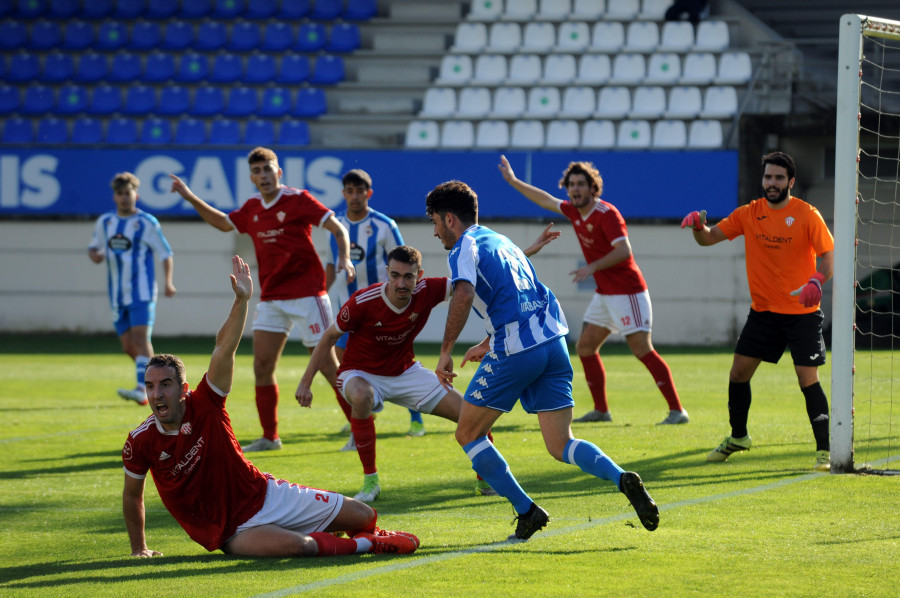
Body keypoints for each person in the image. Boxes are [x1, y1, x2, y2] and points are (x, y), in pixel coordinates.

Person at [121, 256, 419, 558]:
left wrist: (241, 301)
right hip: (232, 531)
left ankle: (362, 531)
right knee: (298, 547)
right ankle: (369, 544)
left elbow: (224, 347)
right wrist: (139, 549)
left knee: (363, 514)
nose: (157, 393)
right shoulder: (141, 441)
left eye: (165, 385)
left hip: (266, 496)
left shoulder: (206, 402)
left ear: (184, 389)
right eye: (150, 386)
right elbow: (133, 496)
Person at [426, 180, 660, 541]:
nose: (435, 230)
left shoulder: (462, 249)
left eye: (434, 222)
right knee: (560, 443)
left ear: (449, 219)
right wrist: (488, 341)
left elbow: (464, 293)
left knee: (467, 432)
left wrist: (446, 351)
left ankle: (527, 511)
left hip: (517, 350)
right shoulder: (500, 242)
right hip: (552, 343)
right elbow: (520, 294)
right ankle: (621, 477)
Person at [169, 147, 356, 453]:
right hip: (271, 297)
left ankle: (359, 431)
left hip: (309, 294)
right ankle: (271, 437)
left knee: (327, 366)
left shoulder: (298, 199)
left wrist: (345, 258)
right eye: (257, 171)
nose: (263, 176)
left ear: (278, 172)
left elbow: (338, 227)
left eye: (268, 169)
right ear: (251, 177)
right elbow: (222, 222)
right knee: (262, 366)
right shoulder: (252, 207)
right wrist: (188, 196)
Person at [298, 245, 503, 502]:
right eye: (395, 275)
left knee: (472, 415)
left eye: (408, 276)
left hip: (406, 372)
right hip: (361, 373)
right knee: (362, 396)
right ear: (387, 273)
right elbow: (329, 336)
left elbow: (472, 282)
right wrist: (305, 383)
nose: (401, 283)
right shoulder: (363, 301)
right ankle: (370, 482)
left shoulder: (428, 290)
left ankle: (486, 480)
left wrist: (521, 254)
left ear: (420, 275)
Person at [498, 155, 689, 425]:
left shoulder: (607, 214)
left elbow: (624, 251)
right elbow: (545, 200)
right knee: (585, 346)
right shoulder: (574, 211)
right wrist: (514, 181)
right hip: (605, 293)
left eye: (580, 184)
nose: (574, 189)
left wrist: (592, 267)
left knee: (642, 349)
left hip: (627, 292)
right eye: (571, 185)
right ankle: (601, 411)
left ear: (592, 188)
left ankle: (677, 411)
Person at [681, 151, 835, 472]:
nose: (772, 183)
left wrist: (817, 281)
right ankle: (739, 437)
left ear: (791, 182)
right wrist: (698, 226)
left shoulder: (807, 215)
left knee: (807, 378)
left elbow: (828, 258)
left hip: (801, 313)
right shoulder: (749, 213)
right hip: (763, 313)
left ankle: (824, 451)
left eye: (779, 178)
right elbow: (708, 239)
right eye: (768, 177)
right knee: (738, 374)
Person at [328, 169, 426, 446]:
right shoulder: (335, 226)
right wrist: (325, 298)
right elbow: (329, 264)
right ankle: (358, 422)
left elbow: (405, 263)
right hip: (351, 309)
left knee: (398, 363)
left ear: (368, 194)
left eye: (360, 191)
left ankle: (416, 417)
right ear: (344, 193)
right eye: (350, 190)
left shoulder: (384, 225)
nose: (355, 196)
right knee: (344, 362)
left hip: (385, 310)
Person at [89, 171, 176, 406]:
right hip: (117, 295)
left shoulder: (146, 222)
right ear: (114, 197)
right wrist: (95, 255)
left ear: (136, 195)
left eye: (128, 193)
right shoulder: (105, 222)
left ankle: (142, 388)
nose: (124, 198)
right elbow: (94, 248)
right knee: (128, 345)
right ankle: (158, 381)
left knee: (140, 338)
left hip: (142, 292)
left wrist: (168, 282)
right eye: (120, 194)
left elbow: (165, 254)